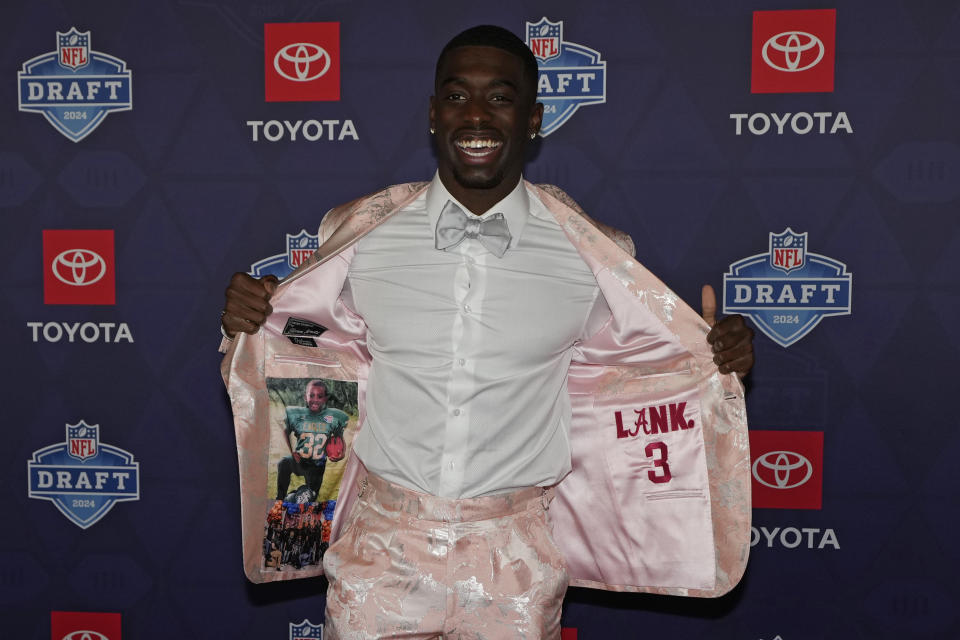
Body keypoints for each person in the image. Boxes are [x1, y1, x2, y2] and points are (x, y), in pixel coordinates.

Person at [222, 25, 754, 639]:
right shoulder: (358, 232)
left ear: (533, 119)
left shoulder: (596, 253)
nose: (476, 114)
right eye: (456, 96)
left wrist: (715, 354)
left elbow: (643, 369)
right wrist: (248, 321)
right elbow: (308, 343)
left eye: (500, 98)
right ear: (432, 113)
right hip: (381, 551)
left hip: (516, 558)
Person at [276, 379, 348, 501]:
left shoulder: (334, 417)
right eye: (311, 395)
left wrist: (342, 453)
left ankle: (294, 496)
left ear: (325, 399)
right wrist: (292, 450)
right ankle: (280, 499)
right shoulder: (296, 414)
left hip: (317, 466)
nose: (315, 399)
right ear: (305, 397)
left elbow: (339, 437)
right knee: (283, 463)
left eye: (319, 396)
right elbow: (285, 431)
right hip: (300, 460)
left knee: (307, 499)